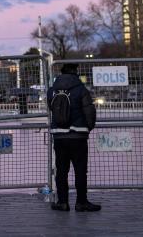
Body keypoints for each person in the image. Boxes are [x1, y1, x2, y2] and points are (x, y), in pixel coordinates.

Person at [47, 63, 101, 212]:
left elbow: (53, 110)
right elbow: (90, 112)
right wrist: (87, 128)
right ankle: (81, 202)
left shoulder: (51, 91)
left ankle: (62, 202)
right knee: (80, 170)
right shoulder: (81, 90)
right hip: (78, 136)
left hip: (59, 137)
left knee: (61, 171)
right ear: (75, 73)